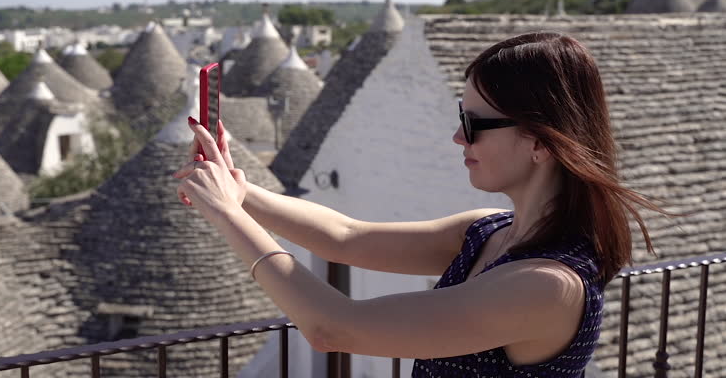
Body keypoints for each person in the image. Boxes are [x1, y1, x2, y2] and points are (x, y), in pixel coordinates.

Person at [173, 32, 666, 377]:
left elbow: (332, 328)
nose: (457, 136)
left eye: (474, 123)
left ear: (540, 142)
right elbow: (345, 237)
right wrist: (240, 191)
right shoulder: (490, 232)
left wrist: (228, 215)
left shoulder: (546, 287)